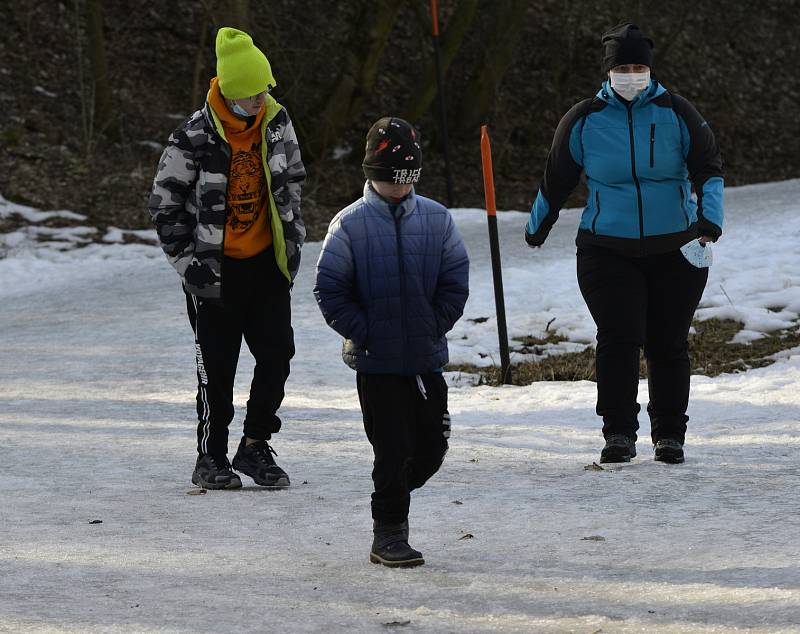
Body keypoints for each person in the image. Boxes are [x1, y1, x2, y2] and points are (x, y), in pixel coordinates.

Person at [524, 23, 723, 464]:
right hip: (605, 250)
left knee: (668, 343)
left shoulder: (677, 112)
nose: (631, 75)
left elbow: (708, 169)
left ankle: (669, 434)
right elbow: (556, 178)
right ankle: (619, 433)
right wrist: (538, 227)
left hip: (676, 248)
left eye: (639, 67)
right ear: (609, 71)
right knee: (619, 337)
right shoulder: (583, 119)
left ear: (650, 70)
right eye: (623, 67)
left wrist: (711, 221)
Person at [148, 27, 305, 489]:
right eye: (252, 94)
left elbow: (293, 179)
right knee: (217, 371)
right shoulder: (193, 137)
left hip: (266, 266)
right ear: (231, 93)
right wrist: (188, 263)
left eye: (264, 91)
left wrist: (291, 240)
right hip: (213, 274)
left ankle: (255, 446)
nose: (260, 101)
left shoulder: (277, 124)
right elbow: (164, 203)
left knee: (277, 356)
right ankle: (210, 456)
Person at [314, 117, 469, 567]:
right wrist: (363, 332)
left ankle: (398, 486)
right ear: (371, 175)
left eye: (407, 181)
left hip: (425, 358)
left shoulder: (437, 220)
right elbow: (329, 289)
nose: (399, 189)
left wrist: (434, 323)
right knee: (392, 448)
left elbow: (454, 279)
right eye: (389, 180)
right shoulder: (350, 225)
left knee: (432, 446)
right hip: (376, 362)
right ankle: (389, 534)